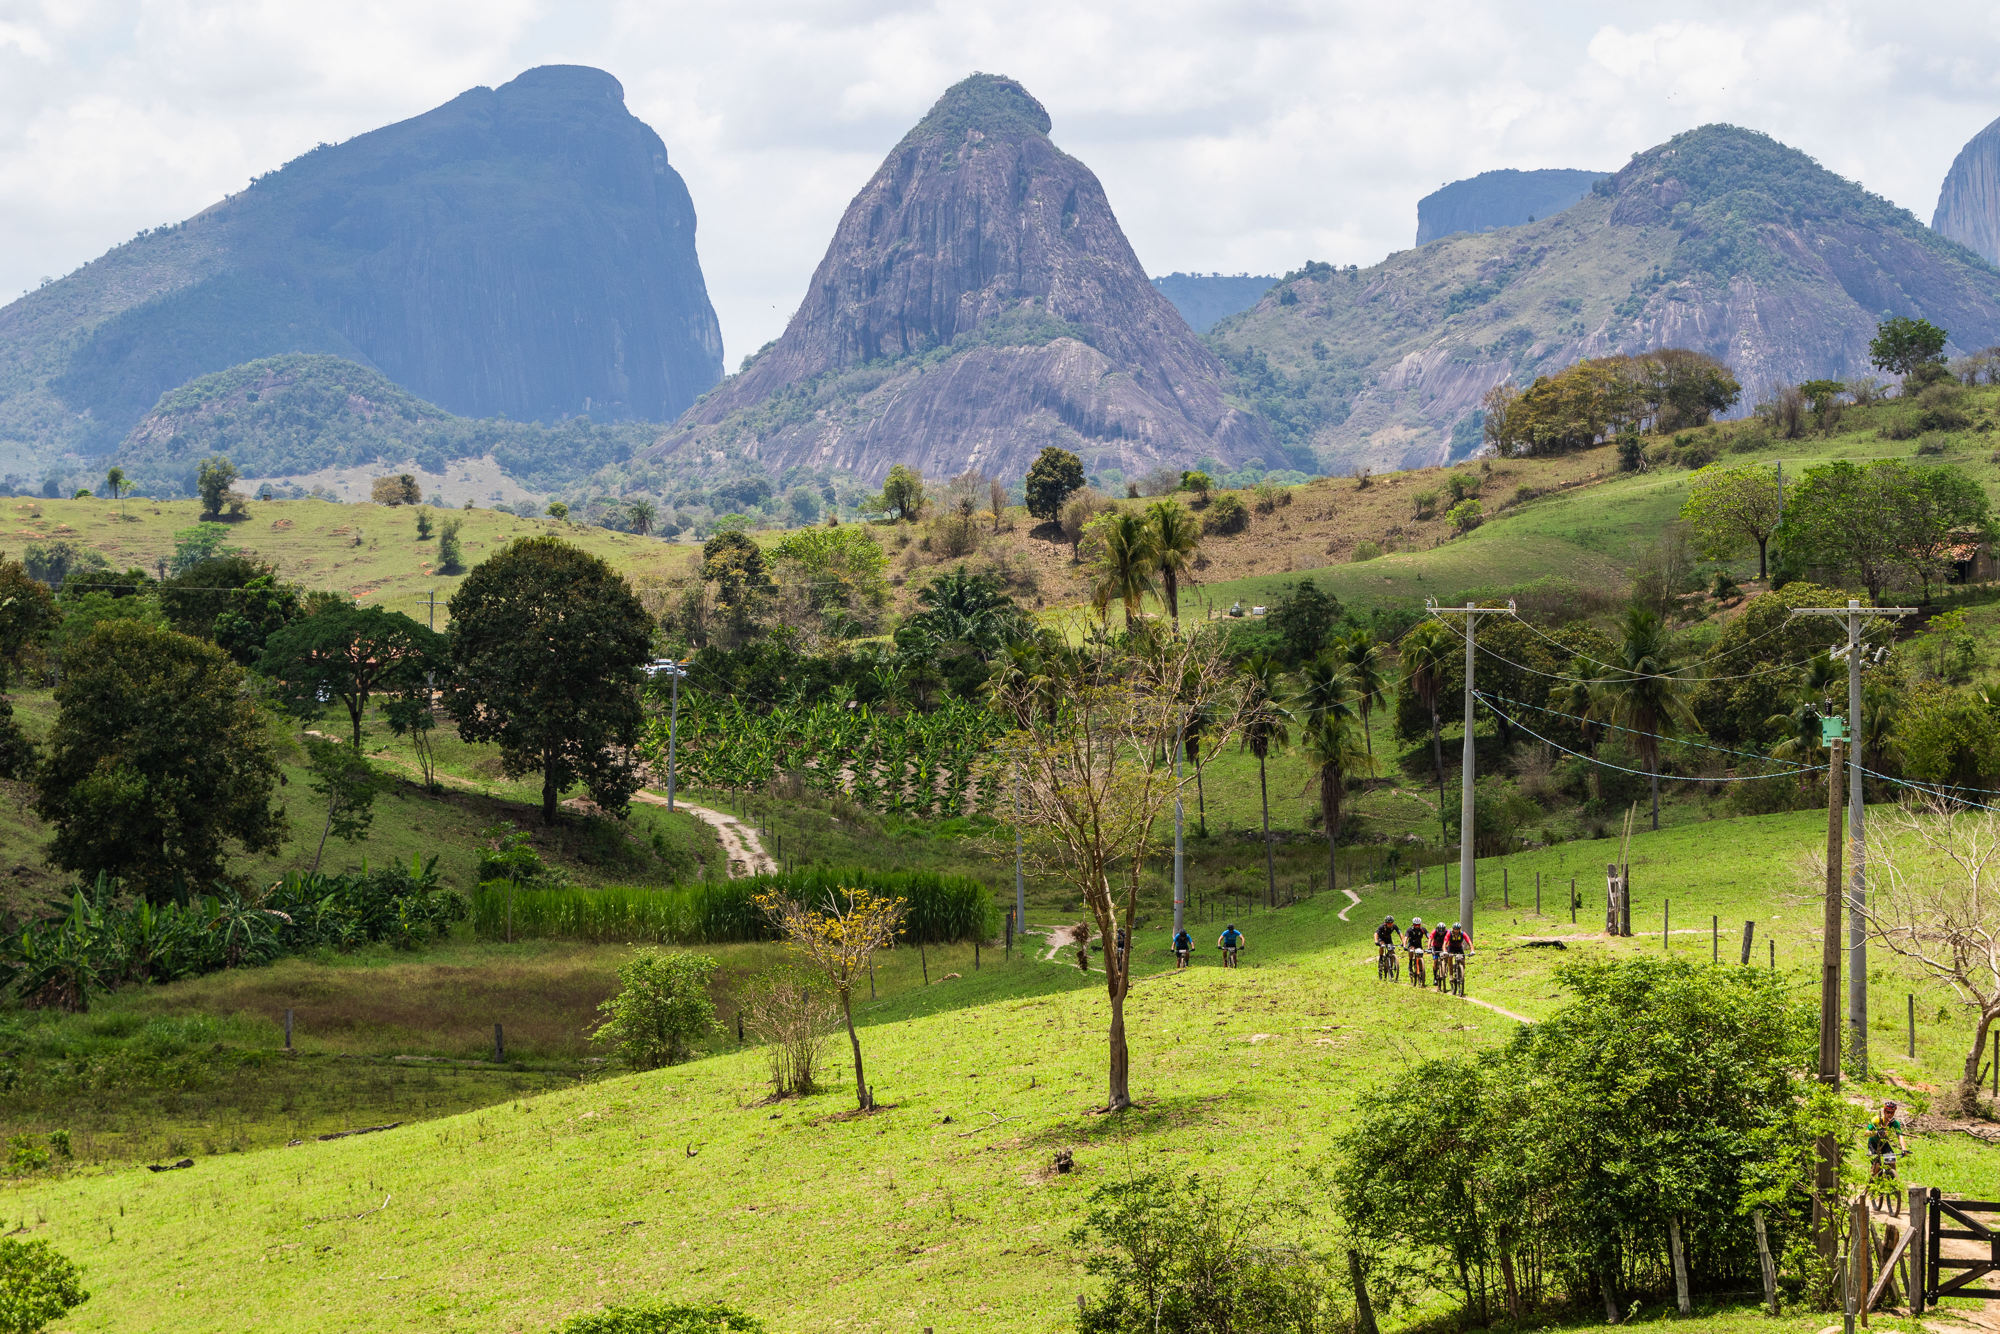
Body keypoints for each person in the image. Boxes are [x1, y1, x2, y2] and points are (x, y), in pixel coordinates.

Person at [1866, 1101, 1907, 1176]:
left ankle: (1892, 1181)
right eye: (1888, 1112)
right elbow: (1866, 1133)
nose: (1889, 1114)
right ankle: (1871, 1184)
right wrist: (1877, 1132)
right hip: (1873, 1144)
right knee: (1877, 1166)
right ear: (1884, 1111)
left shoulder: (1895, 1123)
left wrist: (1904, 1148)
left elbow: (1900, 1136)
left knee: (1892, 1161)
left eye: (1892, 1112)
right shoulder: (1876, 1120)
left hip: (1884, 1144)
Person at [1443, 920, 1473, 990]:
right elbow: (1444, 943)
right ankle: (1450, 975)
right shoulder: (1449, 934)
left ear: (1459, 929)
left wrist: (1472, 950)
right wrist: (1445, 951)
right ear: (1453, 929)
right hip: (1451, 948)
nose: (1456, 931)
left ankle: (1461, 972)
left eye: (1458, 930)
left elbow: (1469, 942)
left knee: (1462, 960)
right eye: (1455, 929)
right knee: (1450, 958)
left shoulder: (1463, 934)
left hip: (1459, 948)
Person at [1404, 917, 1428, 987]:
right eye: (1415, 925)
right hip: (1411, 944)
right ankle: (1410, 962)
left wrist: (1431, 944)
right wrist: (1405, 945)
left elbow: (1428, 936)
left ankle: (1421, 969)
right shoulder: (1409, 930)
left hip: (1419, 945)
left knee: (1420, 955)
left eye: (1418, 925)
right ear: (1413, 924)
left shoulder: (1423, 929)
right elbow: (1406, 938)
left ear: (1420, 924)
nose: (1417, 926)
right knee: (1411, 951)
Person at [1374, 915, 1400, 980]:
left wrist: (1403, 943)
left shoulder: (1394, 926)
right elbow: (1376, 934)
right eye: (1389, 923)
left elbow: (1400, 934)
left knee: (1392, 951)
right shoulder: (1382, 927)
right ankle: (1381, 958)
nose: (1390, 924)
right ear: (1385, 923)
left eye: (1391, 923)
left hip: (1388, 939)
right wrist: (1376, 941)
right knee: (1382, 946)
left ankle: (1390, 967)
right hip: (1381, 939)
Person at [1429, 920, 1450, 990]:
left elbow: (1449, 940)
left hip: (1443, 947)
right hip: (1435, 947)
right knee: (1435, 961)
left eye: (1442, 931)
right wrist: (1429, 947)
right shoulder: (1434, 931)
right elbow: (1430, 939)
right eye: (1439, 931)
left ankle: (1445, 967)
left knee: (1446, 956)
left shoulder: (1447, 932)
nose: (1441, 933)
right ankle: (1435, 977)